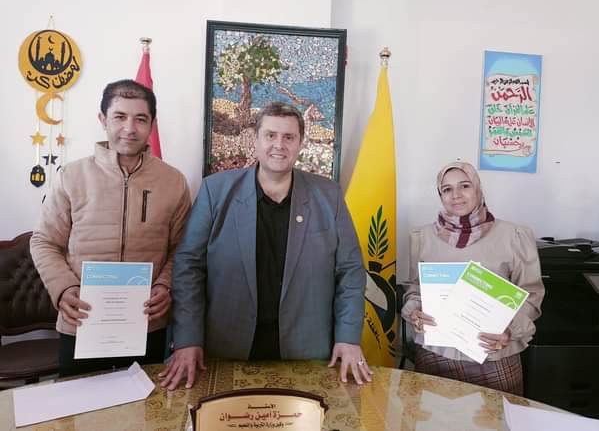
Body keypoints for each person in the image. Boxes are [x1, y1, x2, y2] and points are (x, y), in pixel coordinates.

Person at [159, 101, 371, 389]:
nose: (279, 145)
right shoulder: (215, 191)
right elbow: (188, 267)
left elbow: (350, 271)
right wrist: (187, 338)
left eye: (289, 137)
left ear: (300, 143)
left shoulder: (329, 195)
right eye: (270, 135)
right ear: (255, 140)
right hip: (226, 348)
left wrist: (348, 337)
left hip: (307, 351)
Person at [30, 79, 191, 377]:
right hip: (81, 321)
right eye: (119, 116)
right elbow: (44, 241)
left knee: (147, 404)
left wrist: (165, 285)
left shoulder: (173, 182)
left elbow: (182, 248)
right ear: (103, 119)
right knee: (79, 403)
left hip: (147, 323)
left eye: (140, 119)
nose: (130, 128)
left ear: (152, 124)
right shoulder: (71, 176)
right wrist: (64, 289)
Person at [400, 161, 544, 395]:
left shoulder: (514, 236)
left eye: (464, 186)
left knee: (498, 416)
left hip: (494, 354)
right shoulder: (422, 237)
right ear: (440, 195)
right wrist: (415, 311)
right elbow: (416, 288)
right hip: (436, 354)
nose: (456, 195)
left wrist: (510, 331)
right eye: (447, 189)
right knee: (434, 416)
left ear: (478, 188)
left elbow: (532, 295)